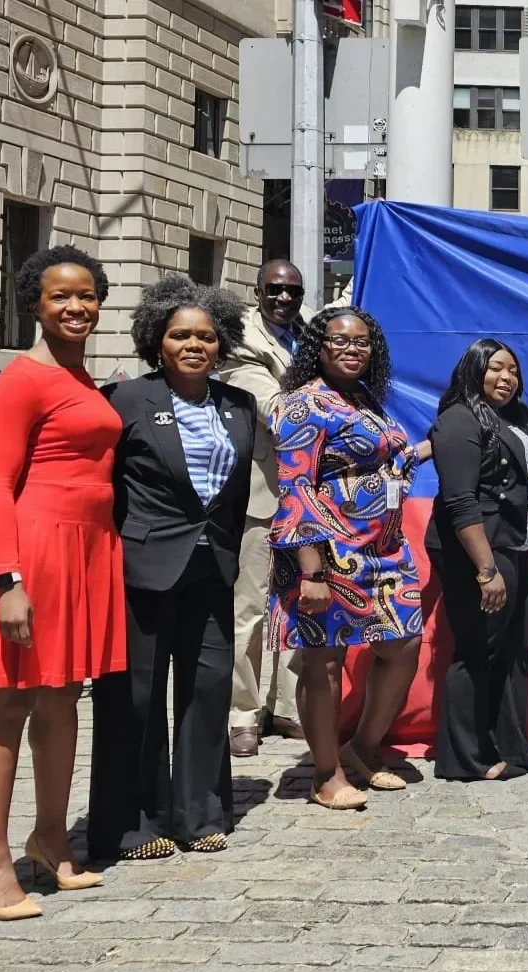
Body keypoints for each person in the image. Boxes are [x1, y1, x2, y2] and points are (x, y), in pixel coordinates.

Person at [0, 246, 123, 920]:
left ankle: (50, 838)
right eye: (60, 296)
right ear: (34, 303)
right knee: (7, 702)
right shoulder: (21, 378)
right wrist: (8, 580)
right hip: (32, 551)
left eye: (87, 295)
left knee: (62, 696)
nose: (76, 307)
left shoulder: (80, 377)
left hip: (85, 550)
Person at [87, 277, 257, 861]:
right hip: (143, 567)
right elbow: (107, 485)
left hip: (212, 566)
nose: (194, 345)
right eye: (180, 335)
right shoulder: (126, 399)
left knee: (208, 688)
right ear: (156, 341)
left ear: (221, 342)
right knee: (136, 696)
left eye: (206, 336)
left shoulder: (238, 405)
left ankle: (200, 812)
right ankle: (132, 823)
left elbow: (235, 493)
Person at [271, 306, 430, 809]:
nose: (352, 349)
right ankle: (325, 773)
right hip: (325, 553)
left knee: (403, 644)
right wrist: (312, 571)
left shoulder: (364, 398)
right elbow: (296, 487)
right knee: (323, 661)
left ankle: (361, 747)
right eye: (339, 340)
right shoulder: (302, 404)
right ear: (318, 347)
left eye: (361, 342)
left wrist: (428, 447)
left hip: (382, 551)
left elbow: (386, 463)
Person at [427, 330, 528, 780]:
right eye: (496, 367)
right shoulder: (458, 421)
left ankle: (514, 748)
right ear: (474, 370)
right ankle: (464, 759)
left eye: (513, 370)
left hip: (513, 548)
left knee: (515, 649)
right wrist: (485, 570)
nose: (506, 377)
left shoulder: (509, 420)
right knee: (477, 649)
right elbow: (460, 503)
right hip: (477, 553)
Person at [217, 259, 313, 757]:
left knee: (301, 600)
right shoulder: (241, 339)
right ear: (257, 290)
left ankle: (288, 706)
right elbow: (276, 410)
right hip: (263, 491)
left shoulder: (311, 330)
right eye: (274, 289)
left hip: (310, 494)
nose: (284, 298)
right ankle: (243, 713)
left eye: (293, 291)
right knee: (250, 608)